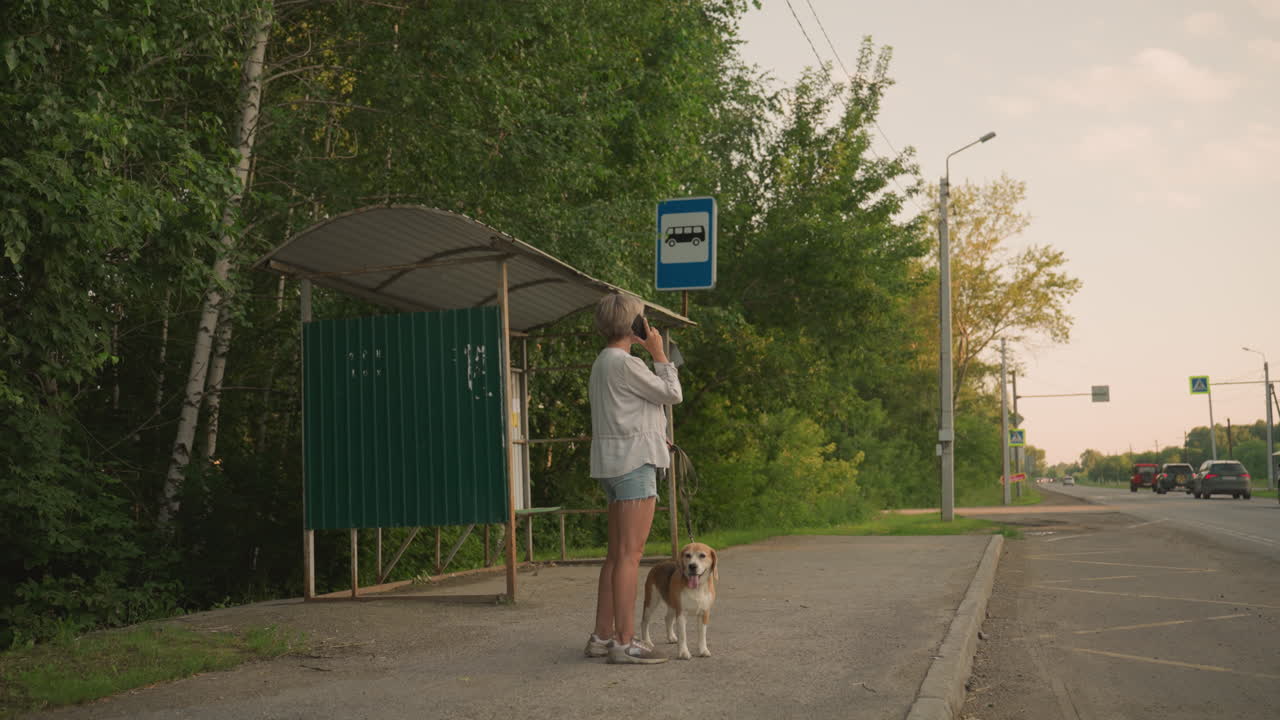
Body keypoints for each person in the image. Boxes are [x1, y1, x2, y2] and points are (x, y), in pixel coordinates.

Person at [583, 293, 682, 664]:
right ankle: (625, 643)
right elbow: (673, 394)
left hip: (611, 464)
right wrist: (659, 353)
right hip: (634, 466)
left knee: (615, 556)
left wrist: (658, 436)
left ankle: (602, 637)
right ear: (634, 325)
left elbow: (626, 412)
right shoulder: (627, 363)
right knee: (629, 556)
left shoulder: (603, 363)